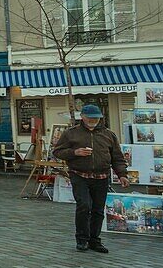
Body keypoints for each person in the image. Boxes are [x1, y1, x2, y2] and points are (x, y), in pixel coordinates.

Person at [53, 104, 129, 253]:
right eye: (90, 118)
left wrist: (122, 174)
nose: (93, 120)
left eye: (96, 118)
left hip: (102, 176)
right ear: (82, 117)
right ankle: (82, 239)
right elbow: (57, 151)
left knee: (98, 210)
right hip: (79, 174)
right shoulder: (71, 133)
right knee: (84, 205)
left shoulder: (109, 134)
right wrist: (75, 152)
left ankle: (94, 240)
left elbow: (117, 157)